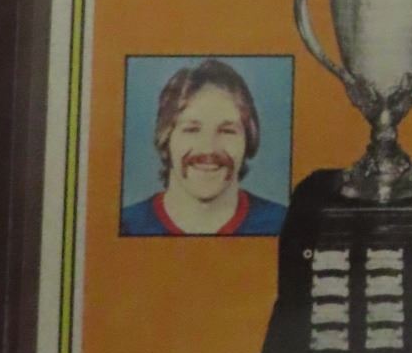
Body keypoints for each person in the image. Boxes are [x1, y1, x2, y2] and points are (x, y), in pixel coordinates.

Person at [121, 59, 288, 235]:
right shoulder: (125, 227)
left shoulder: (284, 225)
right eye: (192, 130)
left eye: (227, 131)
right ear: (165, 138)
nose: (208, 148)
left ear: (249, 140)